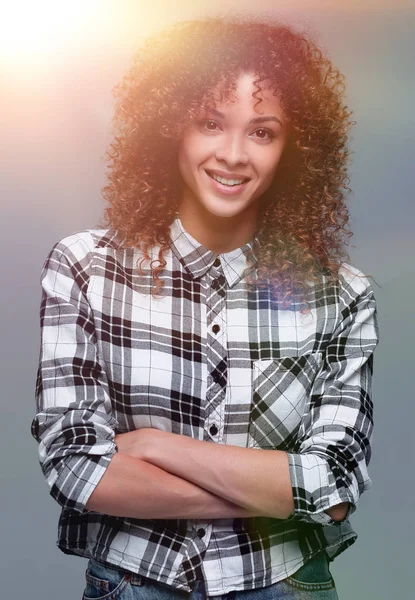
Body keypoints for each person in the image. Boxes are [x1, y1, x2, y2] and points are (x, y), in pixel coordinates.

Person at [31, 16, 379, 600]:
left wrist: (158, 446)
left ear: (295, 147)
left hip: (285, 584)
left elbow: (336, 481)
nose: (234, 154)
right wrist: (280, 495)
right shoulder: (85, 267)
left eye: (263, 132)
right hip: (135, 583)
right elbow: (76, 468)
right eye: (211, 124)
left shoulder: (342, 293)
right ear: (171, 128)